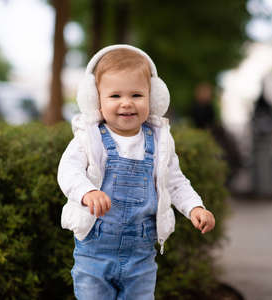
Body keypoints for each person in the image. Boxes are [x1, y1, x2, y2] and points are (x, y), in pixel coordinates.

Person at [57, 44, 215, 300]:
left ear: (153, 99)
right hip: (94, 252)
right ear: (95, 99)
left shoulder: (159, 142)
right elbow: (68, 171)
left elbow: (174, 182)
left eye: (137, 95)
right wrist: (87, 192)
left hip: (141, 256)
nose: (126, 103)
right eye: (115, 96)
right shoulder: (89, 138)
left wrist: (195, 207)